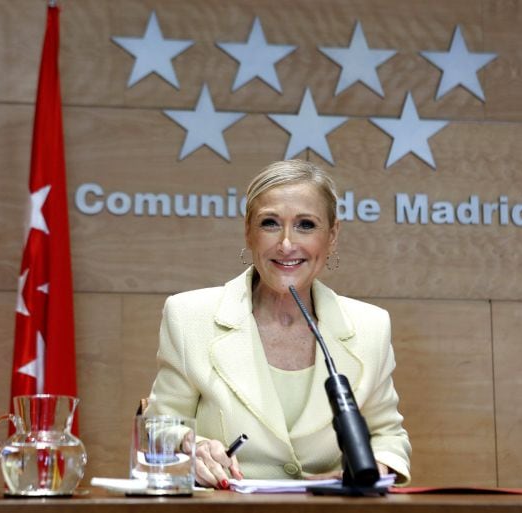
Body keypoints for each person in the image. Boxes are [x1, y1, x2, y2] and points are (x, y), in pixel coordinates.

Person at [145, 159, 411, 489]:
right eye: (270, 223)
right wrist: (193, 448)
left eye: (306, 225)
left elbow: (388, 436)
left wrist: (374, 470)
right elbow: (158, 426)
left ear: (332, 235)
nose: (286, 244)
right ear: (248, 232)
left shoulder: (370, 326)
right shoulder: (188, 316)